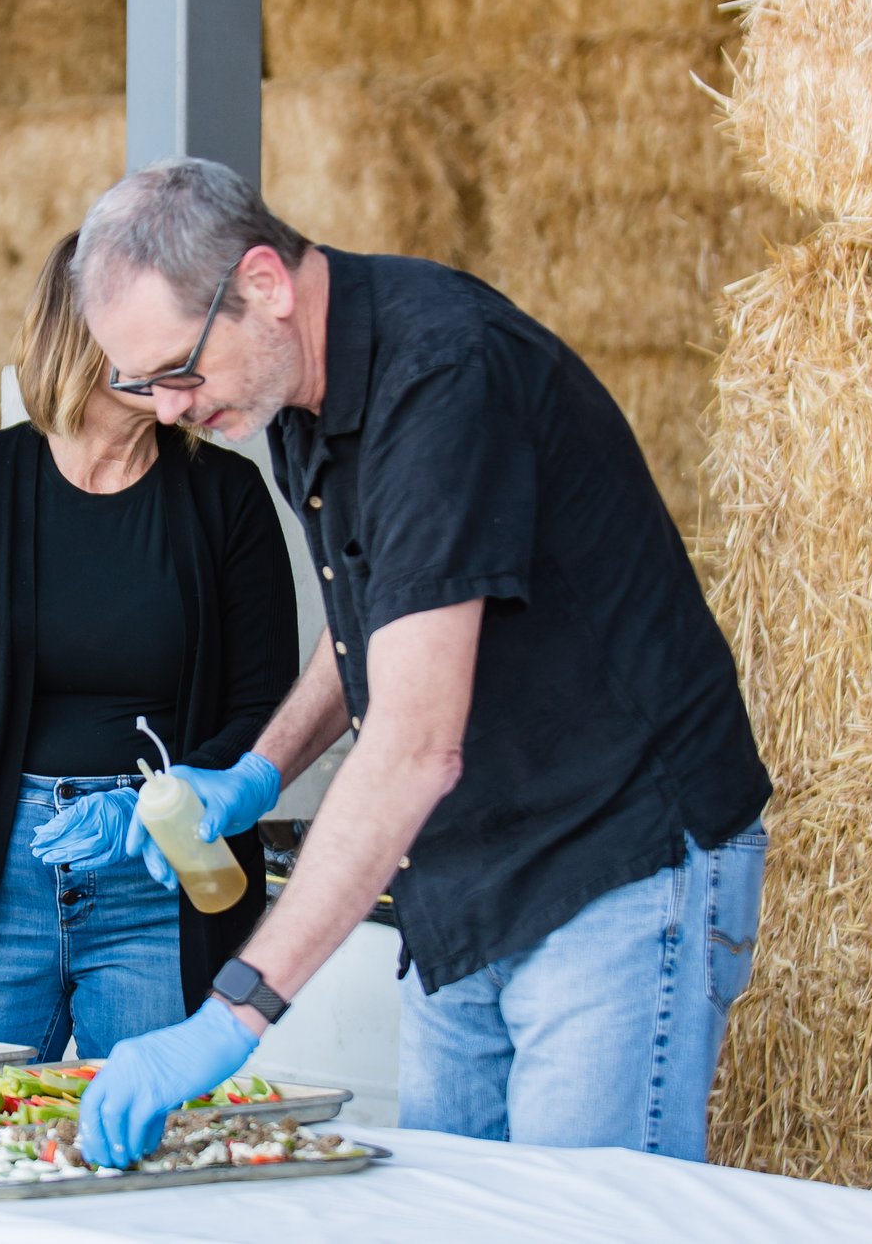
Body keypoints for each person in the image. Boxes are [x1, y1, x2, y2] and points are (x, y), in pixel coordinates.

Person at [67, 157, 772, 1168]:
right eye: (141, 384)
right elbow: (374, 614)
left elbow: (411, 746)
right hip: (467, 867)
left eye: (177, 370)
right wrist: (259, 770)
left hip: (614, 850)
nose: (170, 408)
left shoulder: (442, 377)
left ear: (262, 285)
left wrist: (235, 1013)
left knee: (582, 1221)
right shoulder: (287, 392)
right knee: (446, 1210)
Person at [0, 234, 296, 1058]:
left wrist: (163, 803)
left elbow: (266, 704)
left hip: (159, 870)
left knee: (163, 1151)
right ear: (87, 335)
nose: (185, 356)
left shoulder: (228, 497)